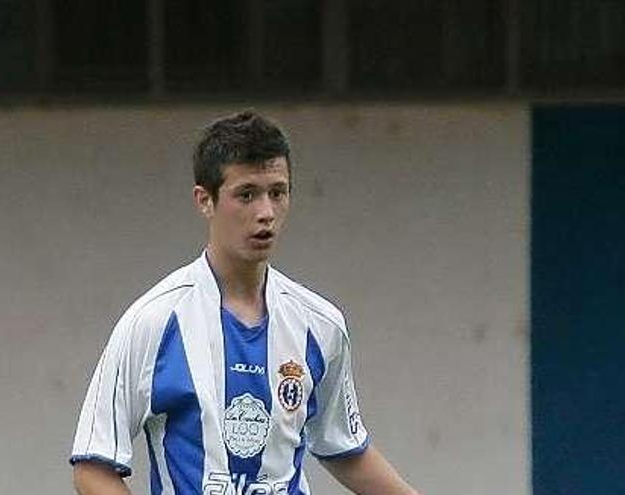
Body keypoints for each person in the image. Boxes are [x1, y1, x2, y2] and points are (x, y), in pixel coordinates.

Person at [70, 111, 419, 495]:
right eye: (247, 194)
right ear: (205, 200)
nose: (265, 213)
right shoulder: (152, 322)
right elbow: (93, 467)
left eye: (277, 192)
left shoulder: (321, 325)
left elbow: (345, 448)